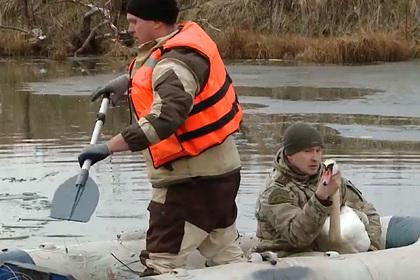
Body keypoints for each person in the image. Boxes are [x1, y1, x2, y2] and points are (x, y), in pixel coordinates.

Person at [78, 0, 243, 276]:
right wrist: (127, 83)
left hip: (188, 182)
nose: (129, 29)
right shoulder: (181, 40)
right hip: (222, 173)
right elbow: (164, 74)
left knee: (162, 262)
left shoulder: (174, 63)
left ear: (155, 22)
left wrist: (108, 147)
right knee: (224, 252)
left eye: (134, 22)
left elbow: (166, 117)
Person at [255, 122, 383, 257]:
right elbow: (298, 238)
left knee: (359, 216)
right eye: (307, 151)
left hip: (323, 254)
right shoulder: (276, 191)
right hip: (286, 256)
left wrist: (371, 252)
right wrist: (320, 199)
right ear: (289, 155)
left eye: (318, 151)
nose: (315, 158)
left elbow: (369, 211)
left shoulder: (328, 176)